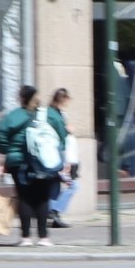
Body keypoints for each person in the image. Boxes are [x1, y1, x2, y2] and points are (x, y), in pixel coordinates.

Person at [0, 84, 65, 246]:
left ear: (21, 98)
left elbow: (2, 136)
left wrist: (7, 153)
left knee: (24, 197)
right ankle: (43, 237)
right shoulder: (49, 114)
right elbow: (62, 135)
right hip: (44, 162)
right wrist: (57, 153)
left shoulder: (13, 116)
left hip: (18, 162)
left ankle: (25, 237)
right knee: (42, 198)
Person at [46, 88, 78, 229]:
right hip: (58, 158)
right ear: (63, 99)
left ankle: (55, 218)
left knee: (55, 187)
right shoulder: (55, 115)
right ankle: (54, 210)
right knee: (73, 185)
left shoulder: (53, 113)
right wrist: (68, 130)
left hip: (53, 157)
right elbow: (61, 139)